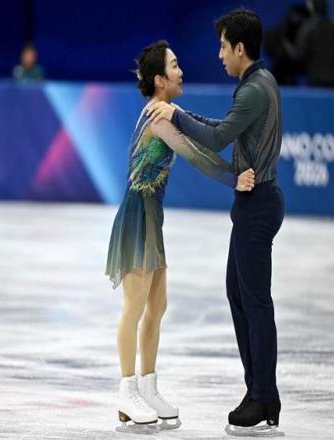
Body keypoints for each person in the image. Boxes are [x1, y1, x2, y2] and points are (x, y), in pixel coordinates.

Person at [147, 8, 285, 437]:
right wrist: (181, 112)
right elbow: (224, 127)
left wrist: (175, 115)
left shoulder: (253, 91)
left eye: (224, 46)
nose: (220, 54)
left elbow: (218, 138)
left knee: (255, 302)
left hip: (257, 204)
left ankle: (264, 395)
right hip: (254, 203)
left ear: (240, 48)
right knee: (239, 294)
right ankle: (257, 390)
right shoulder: (258, 83)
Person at [106, 40, 255, 434]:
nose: (181, 71)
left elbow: (197, 127)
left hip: (152, 217)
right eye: (174, 66)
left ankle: (148, 387)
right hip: (137, 216)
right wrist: (233, 178)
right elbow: (194, 152)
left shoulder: (168, 111)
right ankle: (126, 391)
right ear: (160, 80)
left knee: (157, 306)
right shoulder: (157, 118)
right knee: (135, 306)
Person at [284, 0, 334, 87]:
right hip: (332, 78)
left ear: (312, 7)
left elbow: (298, 55)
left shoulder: (307, 28)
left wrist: (287, 45)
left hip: (315, 79)